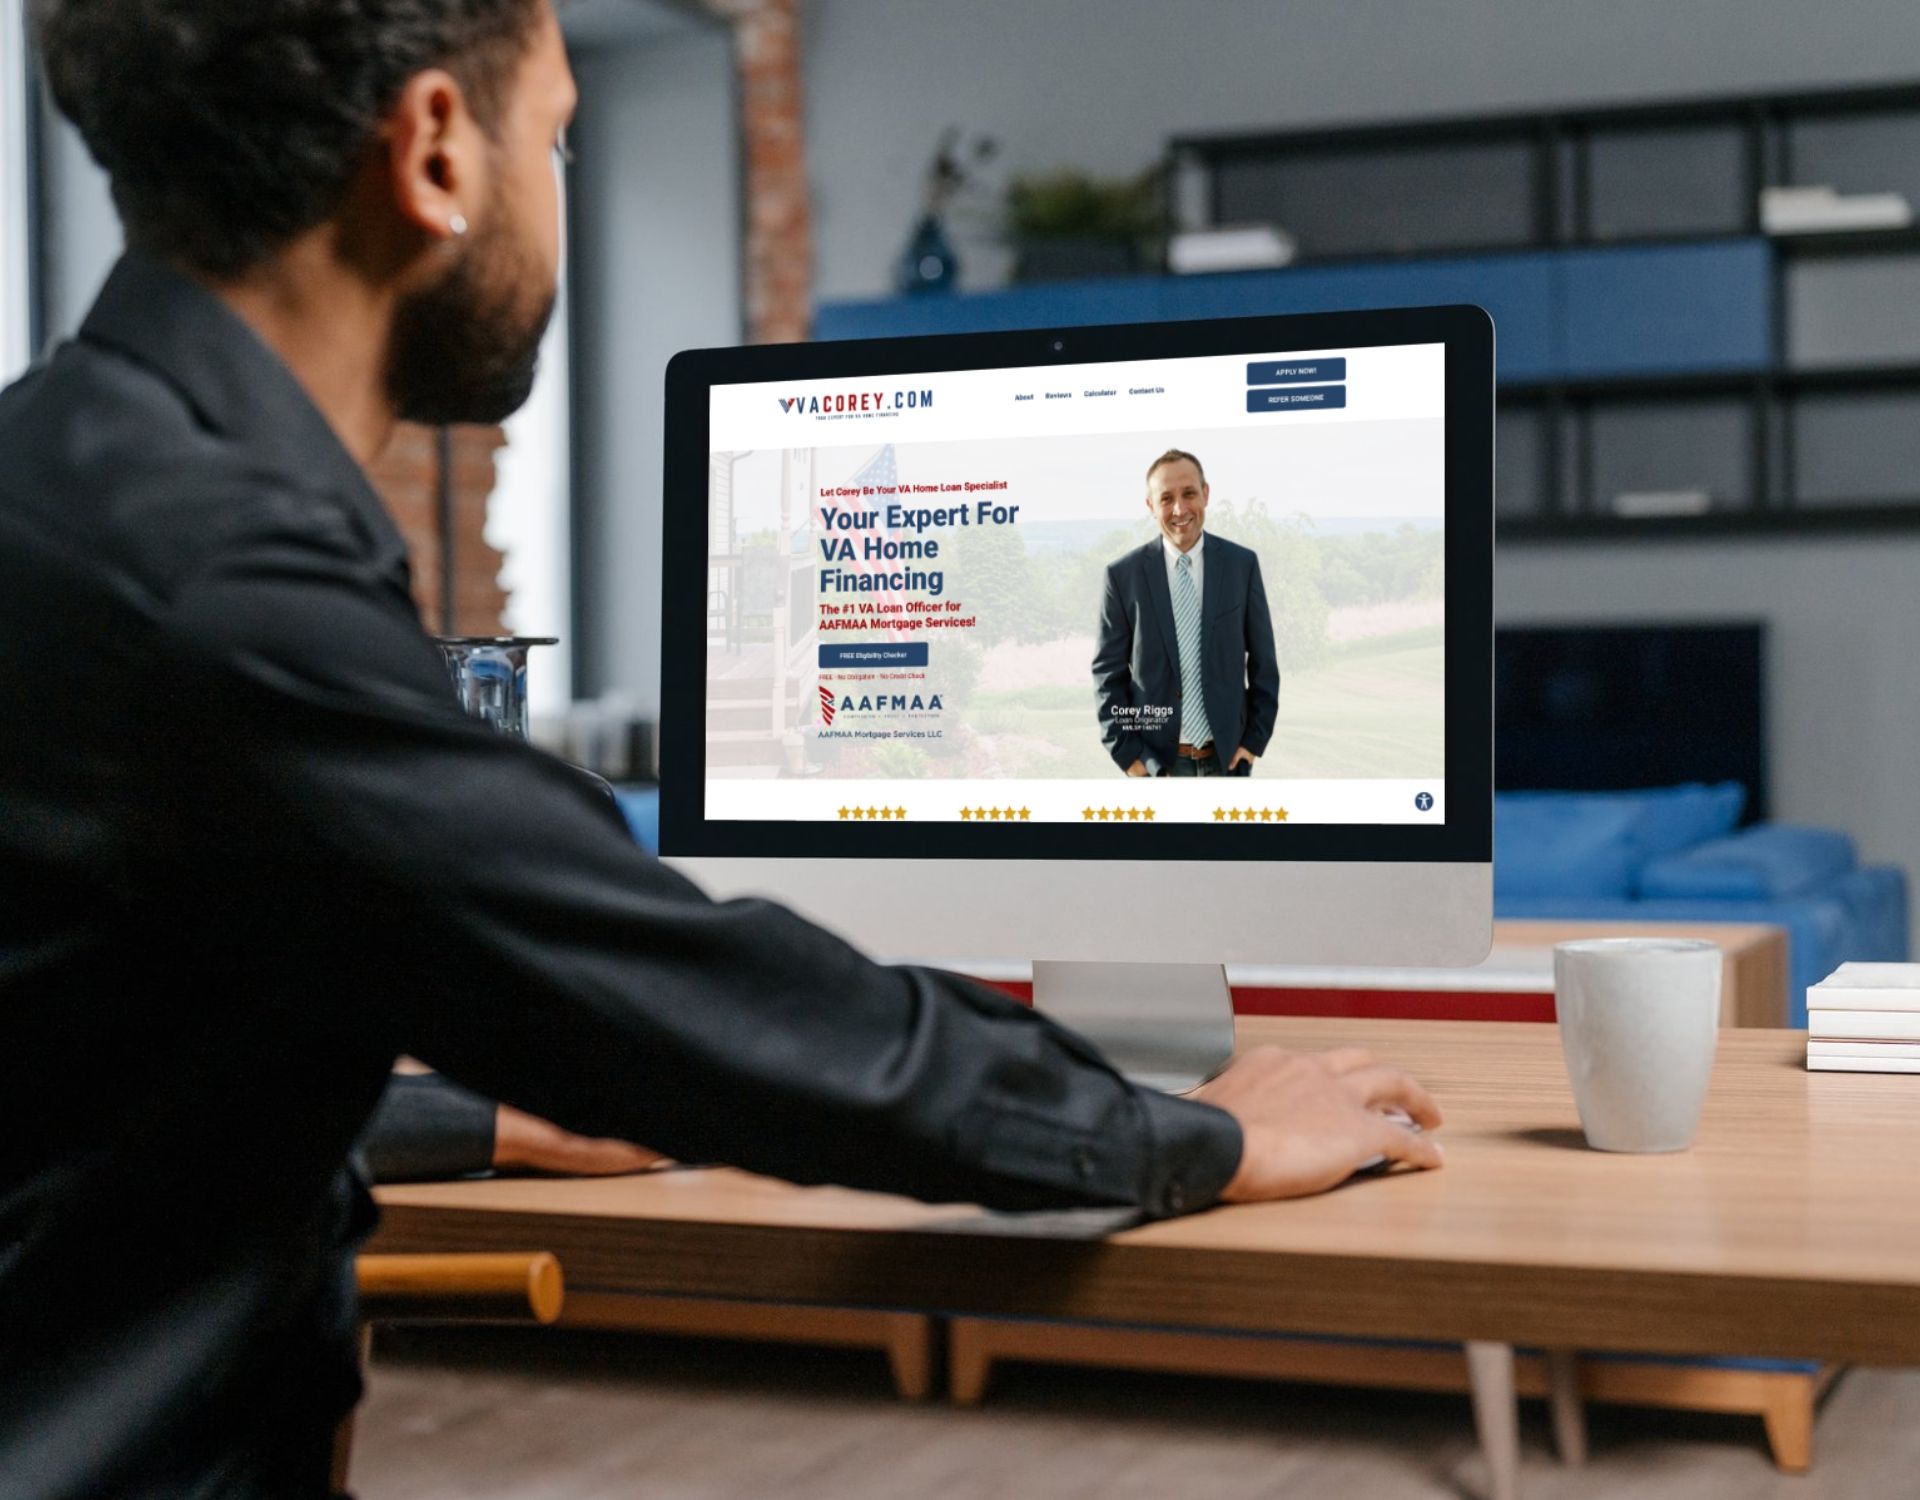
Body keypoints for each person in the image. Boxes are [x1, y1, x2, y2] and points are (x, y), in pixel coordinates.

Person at [0, 4, 1441, 1495]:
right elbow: (695, 1004)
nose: (560, 191)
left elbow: (97, 1063)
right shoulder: (216, 584)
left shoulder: (66, 484)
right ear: (437, 153)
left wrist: (485, 1115)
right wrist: (1186, 1140)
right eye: (556, 135)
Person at [1093, 449, 1281, 778]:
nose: (1179, 509)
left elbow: (1264, 662)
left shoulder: (1242, 566)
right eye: (1166, 498)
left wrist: (1253, 741)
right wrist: (1128, 755)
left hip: (1228, 762)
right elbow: (1108, 676)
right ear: (1151, 506)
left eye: (1189, 493)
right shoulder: (1122, 577)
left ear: (1206, 494)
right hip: (1157, 767)